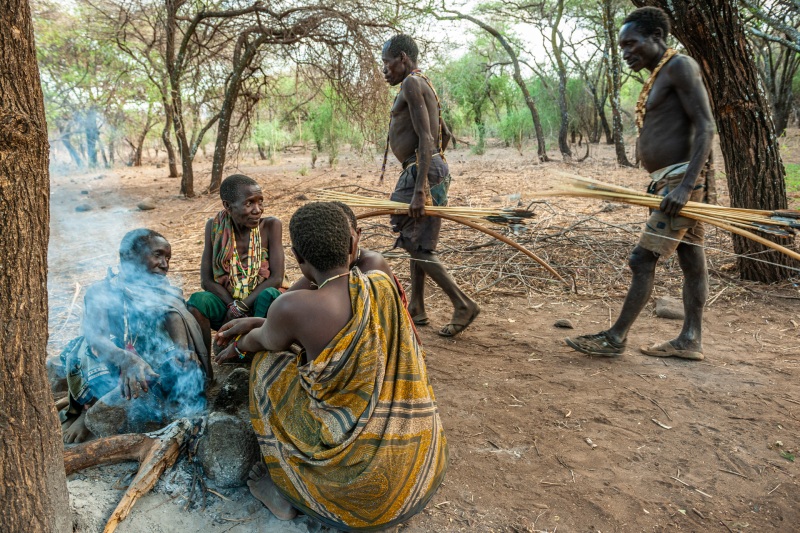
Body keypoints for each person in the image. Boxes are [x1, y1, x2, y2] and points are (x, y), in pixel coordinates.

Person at [216, 202, 447, 530]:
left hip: (350, 491)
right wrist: (262, 322)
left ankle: (285, 491)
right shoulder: (379, 281)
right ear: (353, 243)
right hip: (414, 473)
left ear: (297, 256)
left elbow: (264, 341)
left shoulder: (292, 307)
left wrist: (240, 345)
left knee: (266, 368)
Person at [565, 7, 714, 361]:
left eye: (631, 43)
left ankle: (615, 338)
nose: (626, 52)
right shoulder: (661, 74)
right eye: (622, 47)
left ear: (656, 38)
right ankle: (690, 338)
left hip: (681, 182)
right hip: (669, 182)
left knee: (641, 259)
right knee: (692, 258)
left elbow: (706, 127)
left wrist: (684, 187)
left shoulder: (680, 66)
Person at [60, 229, 208, 444]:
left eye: (167, 258)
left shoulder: (164, 288)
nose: (165, 264)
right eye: (157, 255)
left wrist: (182, 350)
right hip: (111, 353)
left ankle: (169, 408)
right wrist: (127, 359)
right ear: (128, 256)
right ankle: (92, 410)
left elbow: (174, 315)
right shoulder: (101, 290)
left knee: (182, 363)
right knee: (87, 351)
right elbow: (97, 338)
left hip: (147, 352)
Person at [381, 33, 480, 337]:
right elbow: (445, 133)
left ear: (402, 58)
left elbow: (427, 137)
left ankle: (463, 304)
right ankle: (417, 306)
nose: (385, 71)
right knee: (417, 239)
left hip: (420, 171)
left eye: (387, 64)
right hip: (426, 167)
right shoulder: (425, 84)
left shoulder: (412, 83)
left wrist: (422, 185)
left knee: (413, 238)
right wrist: (434, 168)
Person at [188, 174, 286, 368]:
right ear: (227, 206)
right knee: (197, 302)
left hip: (260, 306)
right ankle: (205, 367)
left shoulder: (271, 226)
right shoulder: (214, 227)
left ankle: (252, 353)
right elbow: (207, 280)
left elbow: (276, 278)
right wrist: (231, 305)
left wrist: (242, 306)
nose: (257, 209)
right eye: (249, 203)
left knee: (271, 294)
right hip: (228, 306)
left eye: (260, 202)